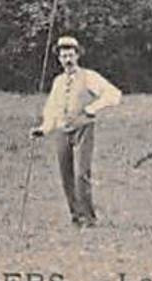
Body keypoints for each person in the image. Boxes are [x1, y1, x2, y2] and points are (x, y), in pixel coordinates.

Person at [30, 35, 122, 228]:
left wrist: (93, 108)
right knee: (66, 174)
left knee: (82, 173)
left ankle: (89, 218)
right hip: (62, 130)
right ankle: (76, 216)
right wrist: (44, 129)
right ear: (59, 59)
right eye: (64, 56)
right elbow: (52, 108)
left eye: (71, 55)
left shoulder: (89, 77)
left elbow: (114, 94)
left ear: (78, 55)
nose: (68, 60)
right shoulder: (58, 82)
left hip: (83, 129)